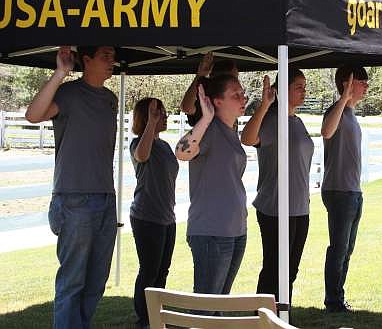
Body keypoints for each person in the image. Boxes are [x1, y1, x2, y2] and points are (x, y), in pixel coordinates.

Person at [25, 46, 118, 329]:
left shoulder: (111, 100)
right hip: (74, 198)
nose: (111, 61)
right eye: (105, 55)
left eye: (112, 56)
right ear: (86, 60)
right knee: (72, 281)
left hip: (106, 198)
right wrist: (60, 73)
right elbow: (33, 115)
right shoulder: (67, 93)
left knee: (96, 280)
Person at [240, 69, 314, 304]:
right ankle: (261, 318)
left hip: (300, 207)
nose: (304, 91)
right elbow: (248, 139)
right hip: (275, 207)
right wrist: (264, 105)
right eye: (298, 87)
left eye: (304, 86)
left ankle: (282, 317)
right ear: (283, 90)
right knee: (274, 270)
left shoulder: (297, 121)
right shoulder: (272, 121)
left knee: (290, 272)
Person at [175, 74, 248, 298]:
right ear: (217, 101)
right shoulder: (209, 129)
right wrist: (205, 119)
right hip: (211, 232)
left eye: (242, 93)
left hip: (235, 230)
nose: (243, 98)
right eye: (235, 95)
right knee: (205, 305)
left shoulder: (229, 131)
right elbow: (181, 152)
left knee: (219, 303)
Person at [320, 65, 369, 313]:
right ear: (347, 82)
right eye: (362, 81)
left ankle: (338, 297)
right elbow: (326, 132)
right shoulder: (336, 111)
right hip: (338, 191)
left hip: (353, 191)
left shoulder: (350, 115)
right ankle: (332, 301)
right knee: (338, 249)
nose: (366, 86)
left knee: (347, 250)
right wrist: (343, 97)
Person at [129, 98, 179, 328]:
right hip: (146, 217)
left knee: (162, 270)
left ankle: (156, 316)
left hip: (168, 217)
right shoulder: (138, 144)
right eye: (159, 113)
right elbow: (142, 156)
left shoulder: (165, 145)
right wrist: (151, 123)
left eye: (164, 112)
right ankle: (144, 320)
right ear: (147, 117)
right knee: (149, 270)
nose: (165, 116)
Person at [180, 52, 238, 125]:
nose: (237, 83)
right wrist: (199, 76)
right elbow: (187, 108)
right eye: (234, 78)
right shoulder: (206, 95)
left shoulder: (231, 101)